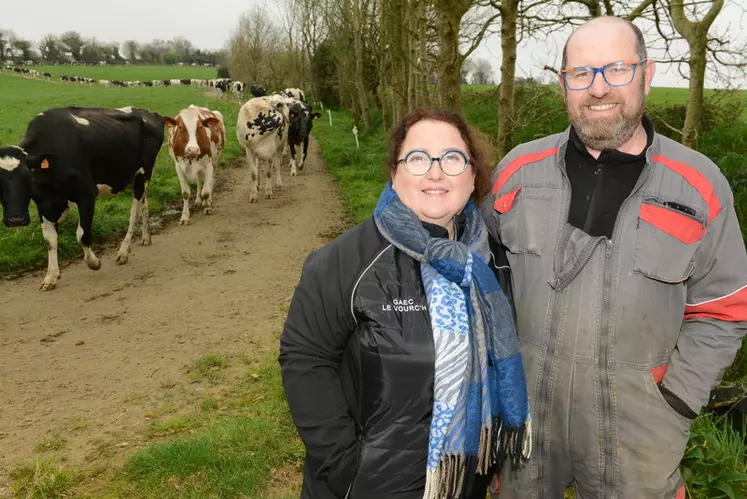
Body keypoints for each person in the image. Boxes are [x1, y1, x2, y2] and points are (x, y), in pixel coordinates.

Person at [482, 15, 747, 499]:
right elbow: (481, 279)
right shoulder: (517, 171)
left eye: (616, 69)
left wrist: (678, 397)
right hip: (524, 416)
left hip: (639, 429)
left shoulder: (699, 185)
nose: (598, 88)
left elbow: (724, 309)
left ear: (646, 74)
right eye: (581, 73)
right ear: (563, 84)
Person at [279, 108, 532, 499]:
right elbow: (305, 358)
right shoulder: (345, 261)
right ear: (395, 175)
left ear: (472, 174)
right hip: (367, 487)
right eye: (417, 159)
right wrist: (347, 468)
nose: (435, 172)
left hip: (463, 483)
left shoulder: (492, 264)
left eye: (452, 158)